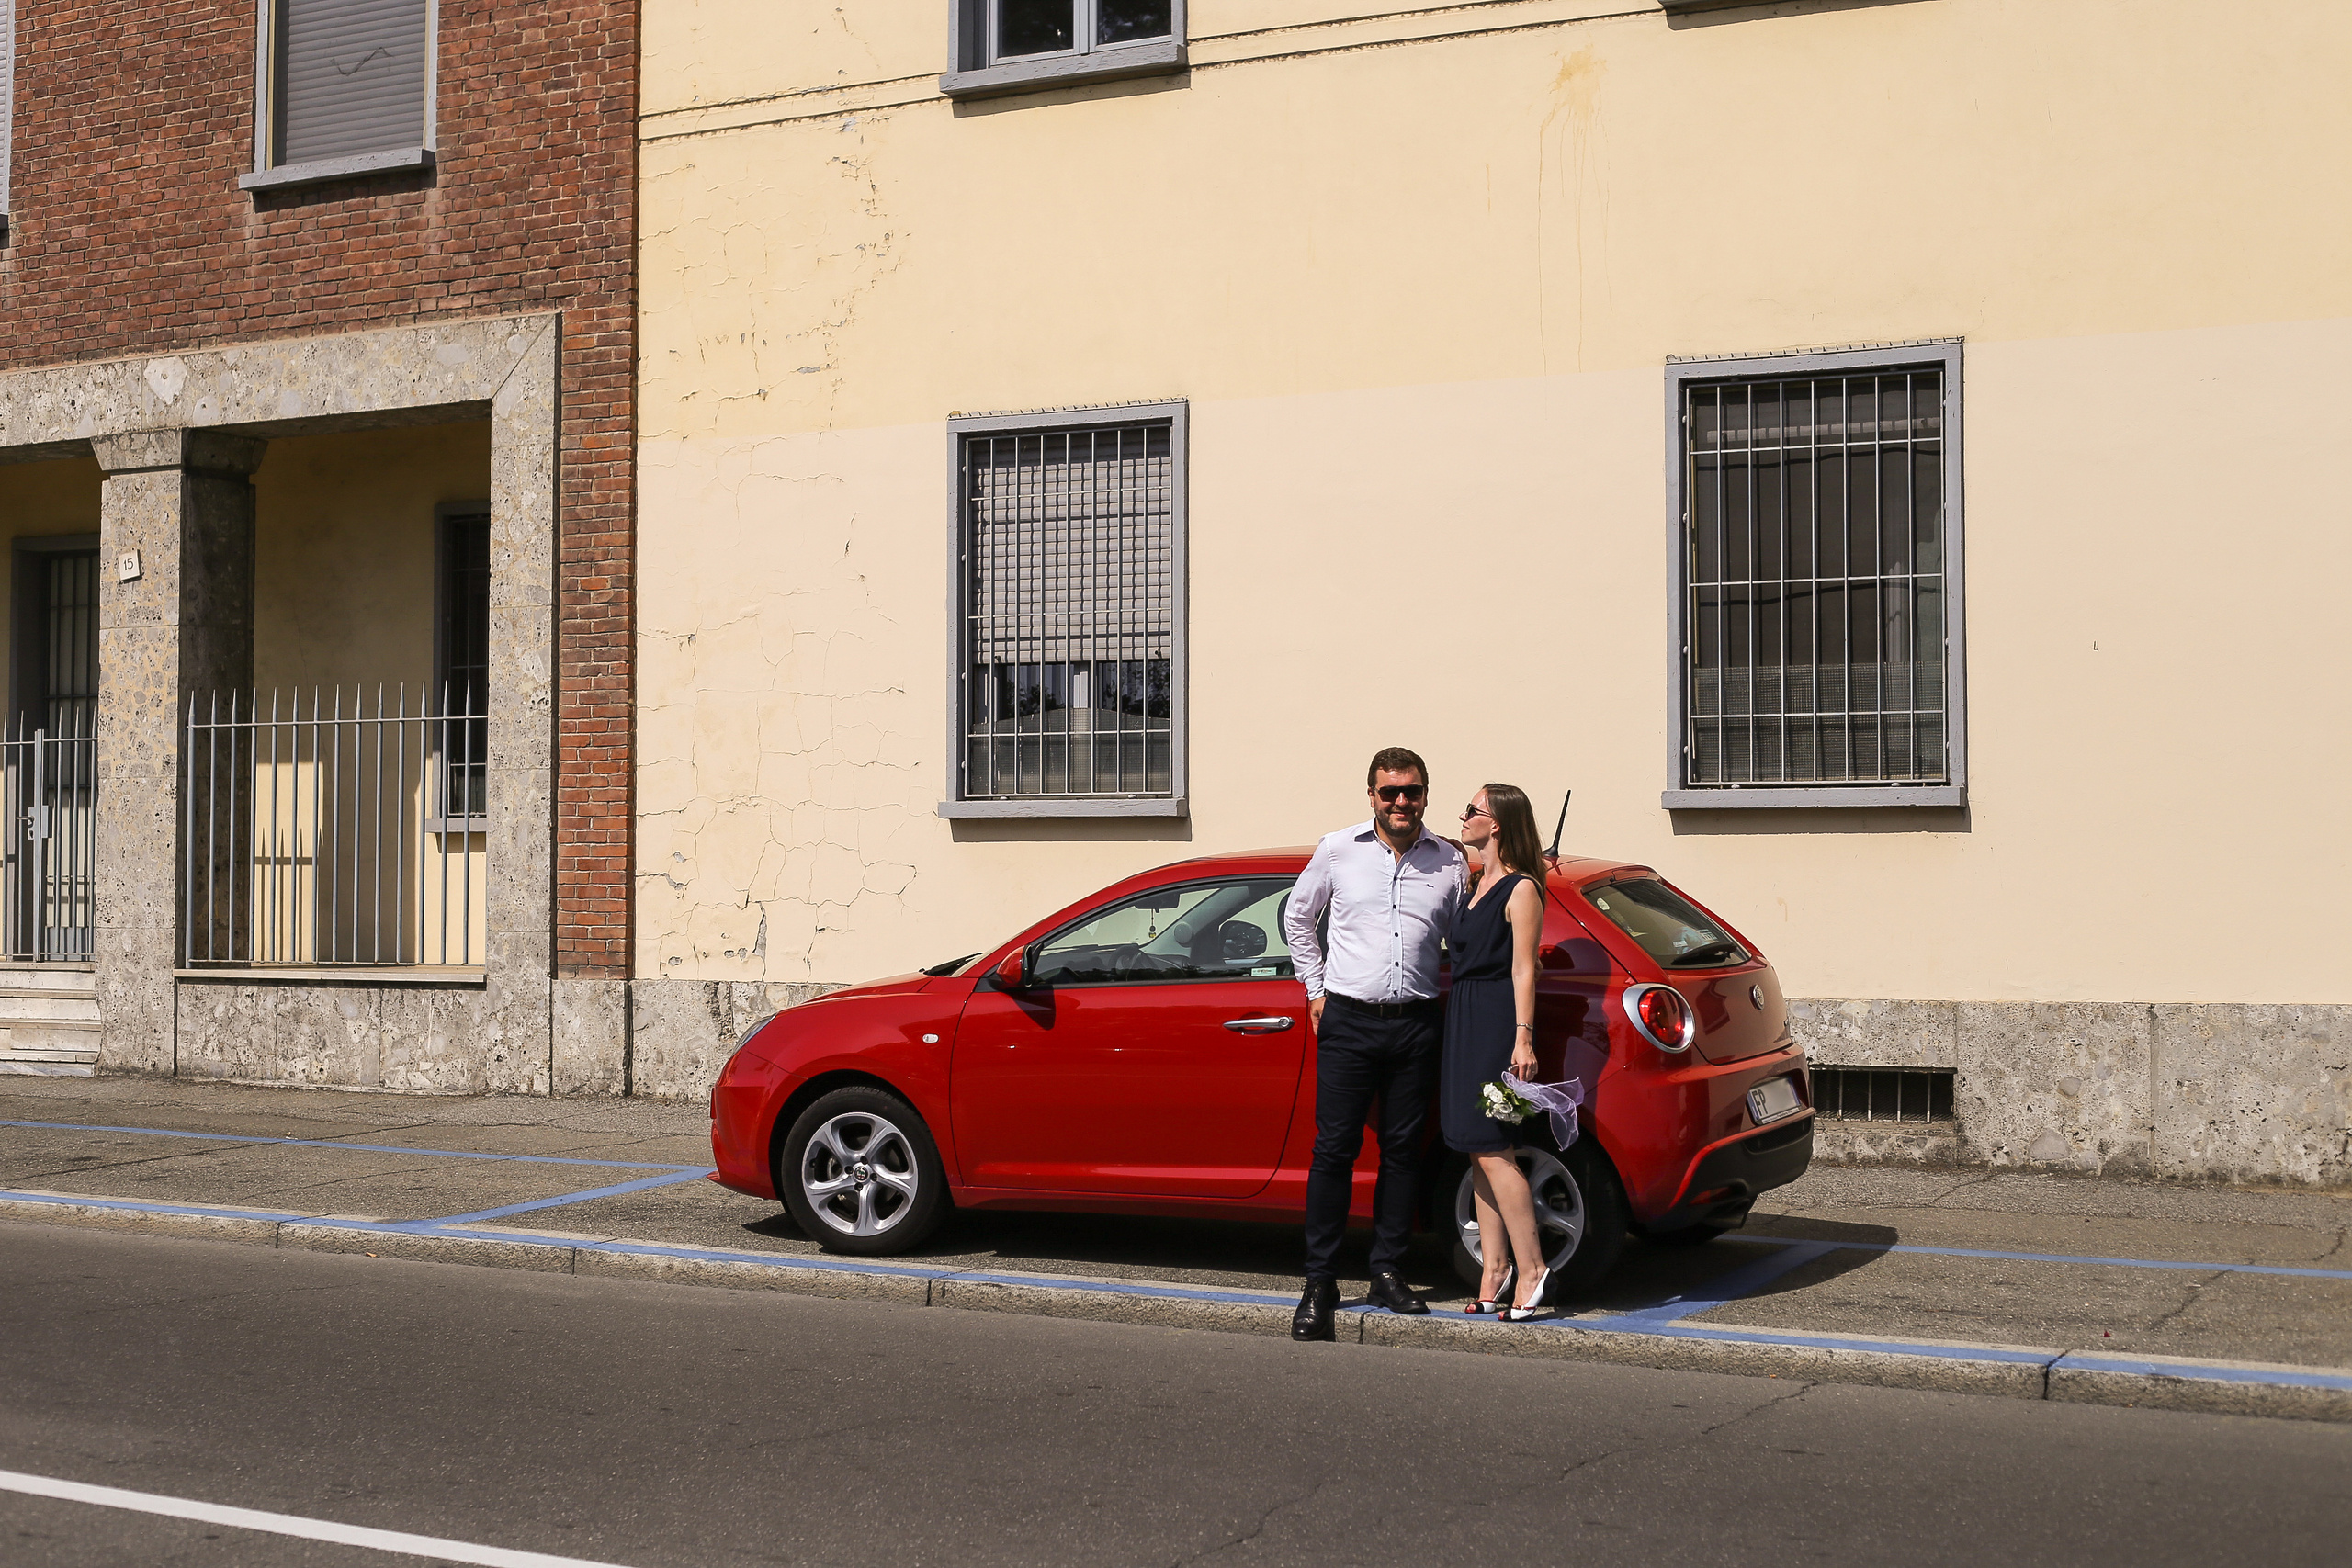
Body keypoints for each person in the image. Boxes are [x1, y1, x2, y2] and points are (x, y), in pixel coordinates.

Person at [1281, 746, 1467, 1341]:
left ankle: (1387, 1268)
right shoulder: (1338, 848)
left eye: (1411, 791)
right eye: (1390, 792)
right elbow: (1297, 917)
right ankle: (1320, 1282)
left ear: (1425, 795)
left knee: (1403, 1151)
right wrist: (1314, 989)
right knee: (1333, 1150)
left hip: (1415, 1023)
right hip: (1349, 1022)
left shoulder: (1450, 862)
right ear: (1371, 797)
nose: (1401, 802)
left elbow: (1469, 932)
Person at [1442, 783, 1555, 1321]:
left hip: (1495, 1023)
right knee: (1473, 1146)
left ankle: (1531, 1270)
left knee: (1494, 1148)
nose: (1463, 817)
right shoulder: (1473, 883)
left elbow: (1524, 967)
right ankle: (1494, 1269)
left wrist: (1523, 1036)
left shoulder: (1521, 889)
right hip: (1463, 1018)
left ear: (1499, 825)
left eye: (1473, 811)